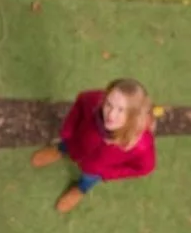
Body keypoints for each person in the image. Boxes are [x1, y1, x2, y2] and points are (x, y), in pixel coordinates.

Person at [31, 78, 157, 213]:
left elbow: (144, 169)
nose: (111, 115)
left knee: (88, 179)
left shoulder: (141, 145)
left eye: (121, 110)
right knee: (66, 146)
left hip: (95, 170)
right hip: (76, 143)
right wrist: (68, 132)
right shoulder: (93, 101)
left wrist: (107, 173)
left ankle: (80, 189)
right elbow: (81, 102)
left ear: (134, 115)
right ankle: (59, 150)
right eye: (109, 104)